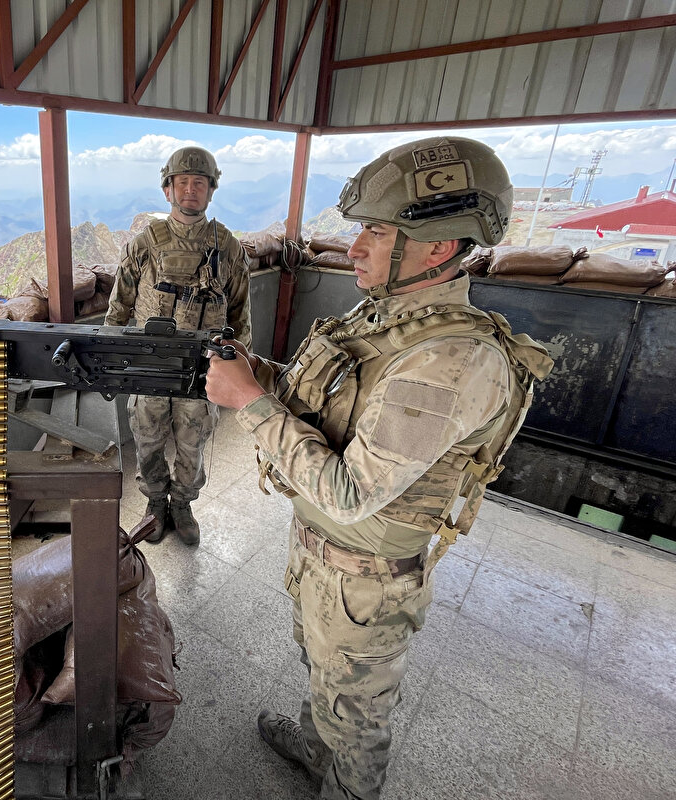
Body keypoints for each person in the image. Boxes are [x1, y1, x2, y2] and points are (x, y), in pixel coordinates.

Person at [204, 136, 553, 798]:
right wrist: (261, 376)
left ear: (440, 248)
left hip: (365, 580)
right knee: (321, 670)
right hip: (322, 557)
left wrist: (249, 402)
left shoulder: (452, 359)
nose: (354, 247)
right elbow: (333, 406)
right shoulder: (387, 321)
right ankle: (314, 751)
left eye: (375, 231)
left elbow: (350, 489)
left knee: (357, 718)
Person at [105, 146, 252, 546]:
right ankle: (155, 503)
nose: (191, 190)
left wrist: (240, 368)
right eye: (182, 182)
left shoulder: (228, 248)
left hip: (202, 369)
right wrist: (114, 365)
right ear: (168, 189)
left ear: (211, 190)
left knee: (194, 440)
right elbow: (118, 309)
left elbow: (240, 314)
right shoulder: (144, 245)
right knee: (148, 438)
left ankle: (183, 504)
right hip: (150, 366)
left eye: (199, 183)